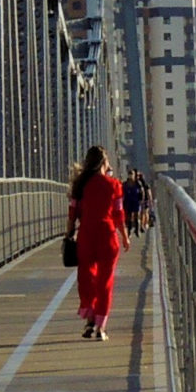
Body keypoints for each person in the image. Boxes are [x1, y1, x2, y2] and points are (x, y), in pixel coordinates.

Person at [67, 145, 126, 340]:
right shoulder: (114, 185)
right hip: (107, 236)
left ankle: (90, 319)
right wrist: (125, 236)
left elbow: (72, 213)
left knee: (86, 278)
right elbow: (118, 214)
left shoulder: (79, 185)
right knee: (105, 281)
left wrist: (69, 234)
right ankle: (101, 327)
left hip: (86, 236)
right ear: (103, 163)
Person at [122, 168, 150, 242]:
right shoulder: (125, 184)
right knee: (128, 217)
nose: (130, 175)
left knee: (136, 216)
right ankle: (129, 231)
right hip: (128, 202)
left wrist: (141, 200)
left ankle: (137, 231)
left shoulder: (138, 184)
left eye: (132, 174)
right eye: (129, 174)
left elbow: (142, 192)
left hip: (136, 202)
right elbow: (122, 192)